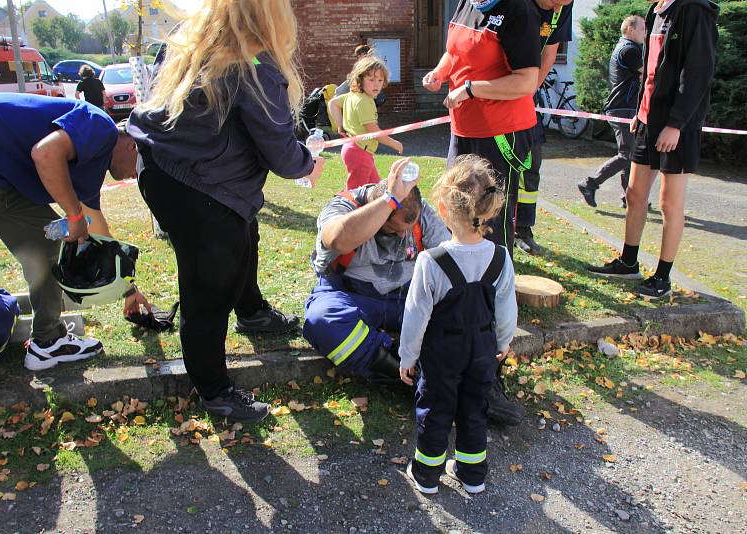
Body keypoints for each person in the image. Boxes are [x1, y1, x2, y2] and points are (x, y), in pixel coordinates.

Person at [128, 0, 324, 423]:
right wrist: (310, 162)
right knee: (209, 289)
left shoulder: (189, 45)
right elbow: (284, 157)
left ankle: (252, 312)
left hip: (164, 169)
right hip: (199, 185)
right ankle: (214, 390)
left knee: (243, 235)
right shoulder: (255, 68)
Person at [303, 158, 522, 425]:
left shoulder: (422, 214)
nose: (402, 236)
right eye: (394, 229)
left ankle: (481, 381)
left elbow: (455, 265)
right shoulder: (344, 206)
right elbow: (338, 238)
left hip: (408, 296)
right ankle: (410, 377)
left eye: (409, 228)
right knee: (322, 321)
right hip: (354, 296)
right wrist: (388, 201)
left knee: (472, 299)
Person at [0, 93, 150, 370]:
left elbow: (100, 235)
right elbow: (45, 153)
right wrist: (74, 214)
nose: (136, 176)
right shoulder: (101, 128)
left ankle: (48, 341)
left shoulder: (93, 158)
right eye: (141, 168)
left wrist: (128, 290)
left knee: (47, 251)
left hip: (5, 180)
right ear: (133, 147)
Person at [399, 155, 517, 494]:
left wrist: (408, 357)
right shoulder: (500, 256)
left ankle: (426, 475)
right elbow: (506, 306)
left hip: (442, 353)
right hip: (482, 350)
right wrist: (503, 341)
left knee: (435, 409)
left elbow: (416, 315)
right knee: (474, 408)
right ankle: (472, 474)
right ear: (489, 209)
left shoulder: (431, 261)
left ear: (443, 207)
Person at [587, 0, 718, 300]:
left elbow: (697, 73)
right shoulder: (655, 12)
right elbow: (649, 72)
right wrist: (638, 112)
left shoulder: (694, 10)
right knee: (634, 194)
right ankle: (628, 262)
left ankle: (662, 277)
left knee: (669, 204)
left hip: (678, 125)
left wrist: (677, 124)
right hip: (647, 119)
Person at [422, 0, 542, 260]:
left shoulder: (519, 10)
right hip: (463, 128)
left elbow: (526, 82)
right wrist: (439, 73)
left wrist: (470, 89)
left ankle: (494, 287)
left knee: (491, 214)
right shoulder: (468, 3)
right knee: (455, 203)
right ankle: (461, 274)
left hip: (501, 132)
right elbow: (455, 53)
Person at [514, 0, 574, 256]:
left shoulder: (564, 7)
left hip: (527, 96)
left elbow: (549, 53)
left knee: (531, 164)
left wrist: (528, 92)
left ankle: (523, 230)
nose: (564, 4)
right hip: (500, 88)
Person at [577, 15, 646, 209]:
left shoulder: (626, 47)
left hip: (624, 106)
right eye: (642, 29)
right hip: (624, 107)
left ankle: (629, 196)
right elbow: (649, 73)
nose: (645, 33)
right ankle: (590, 183)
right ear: (630, 30)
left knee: (629, 154)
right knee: (627, 154)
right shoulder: (630, 49)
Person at [329, 56, 403, 189]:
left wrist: (340, 125)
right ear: (360, 80)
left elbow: (333, 103)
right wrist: (394, 143)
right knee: (356, 194)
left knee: (374, 188)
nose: (377, 84)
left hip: (356, 149)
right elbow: (374, 131)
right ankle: (349, 209)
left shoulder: (352, 95)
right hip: (359, 153)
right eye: (371, 79)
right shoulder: (364, 101)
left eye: (380, 80)